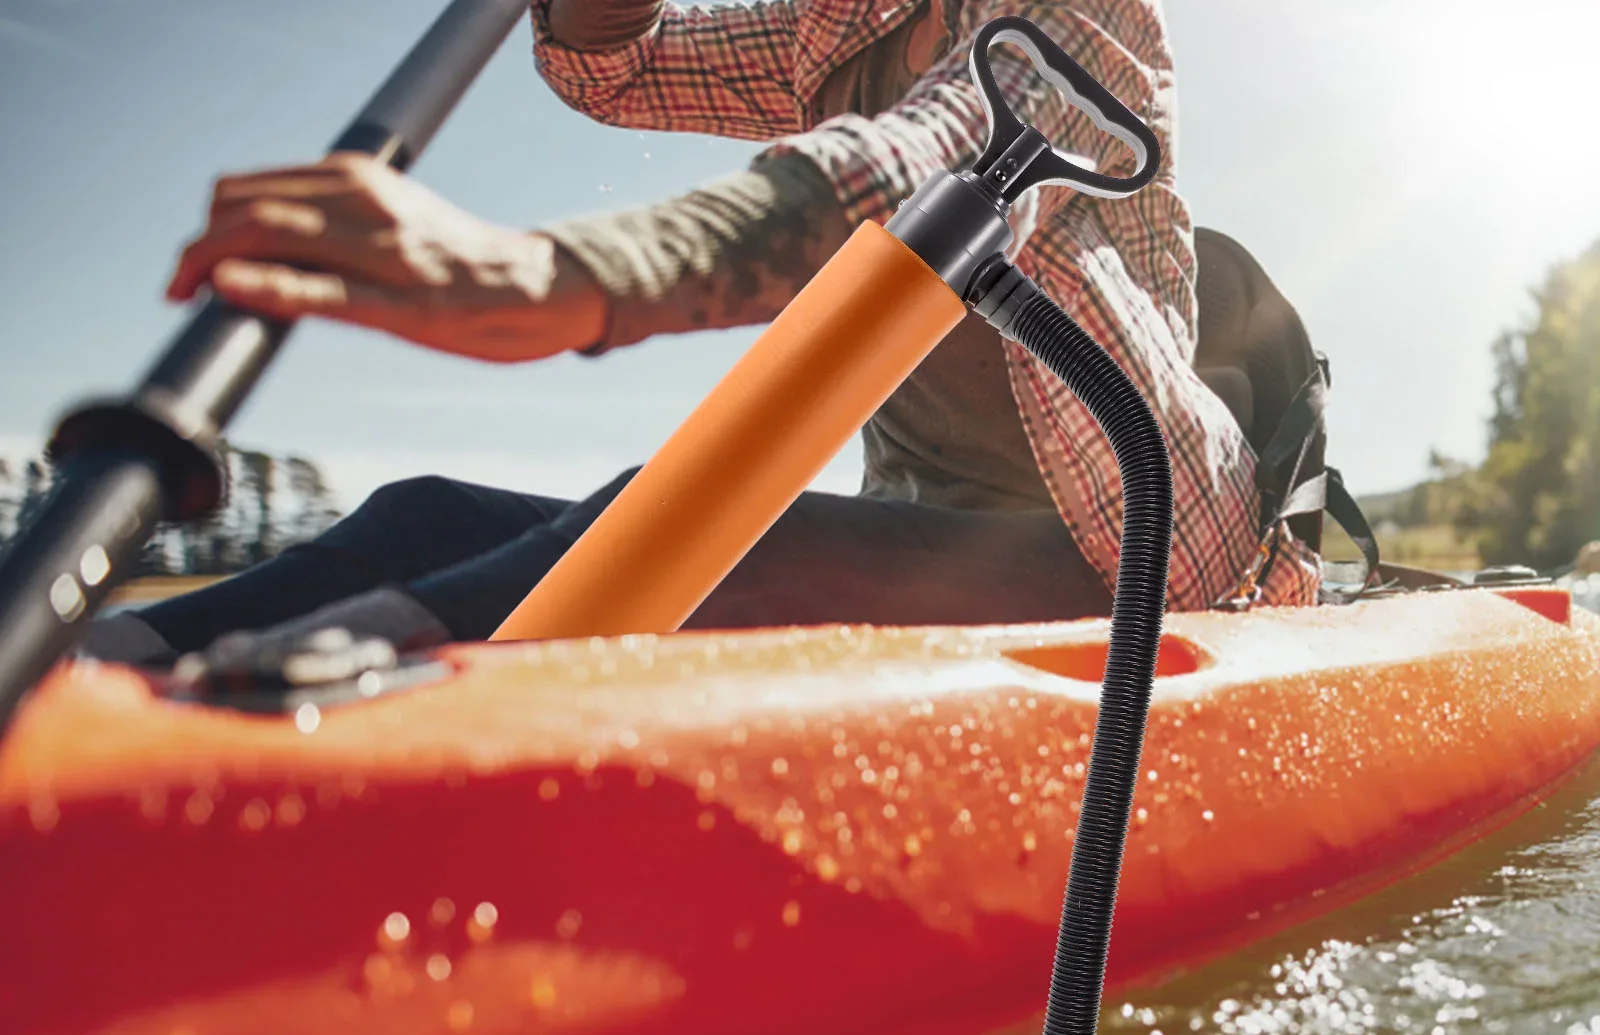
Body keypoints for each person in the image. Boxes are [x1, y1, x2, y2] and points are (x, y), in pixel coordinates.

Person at [85, 0, 1322, 669]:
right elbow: (613, 67)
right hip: (933, 533)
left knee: (688, 526)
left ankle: (268, 706)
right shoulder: (833, 29)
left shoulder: (1088, 21)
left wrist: (548, 274)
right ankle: (97, 659)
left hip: (1130, 555)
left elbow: (920, 167)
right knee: (425, 513)